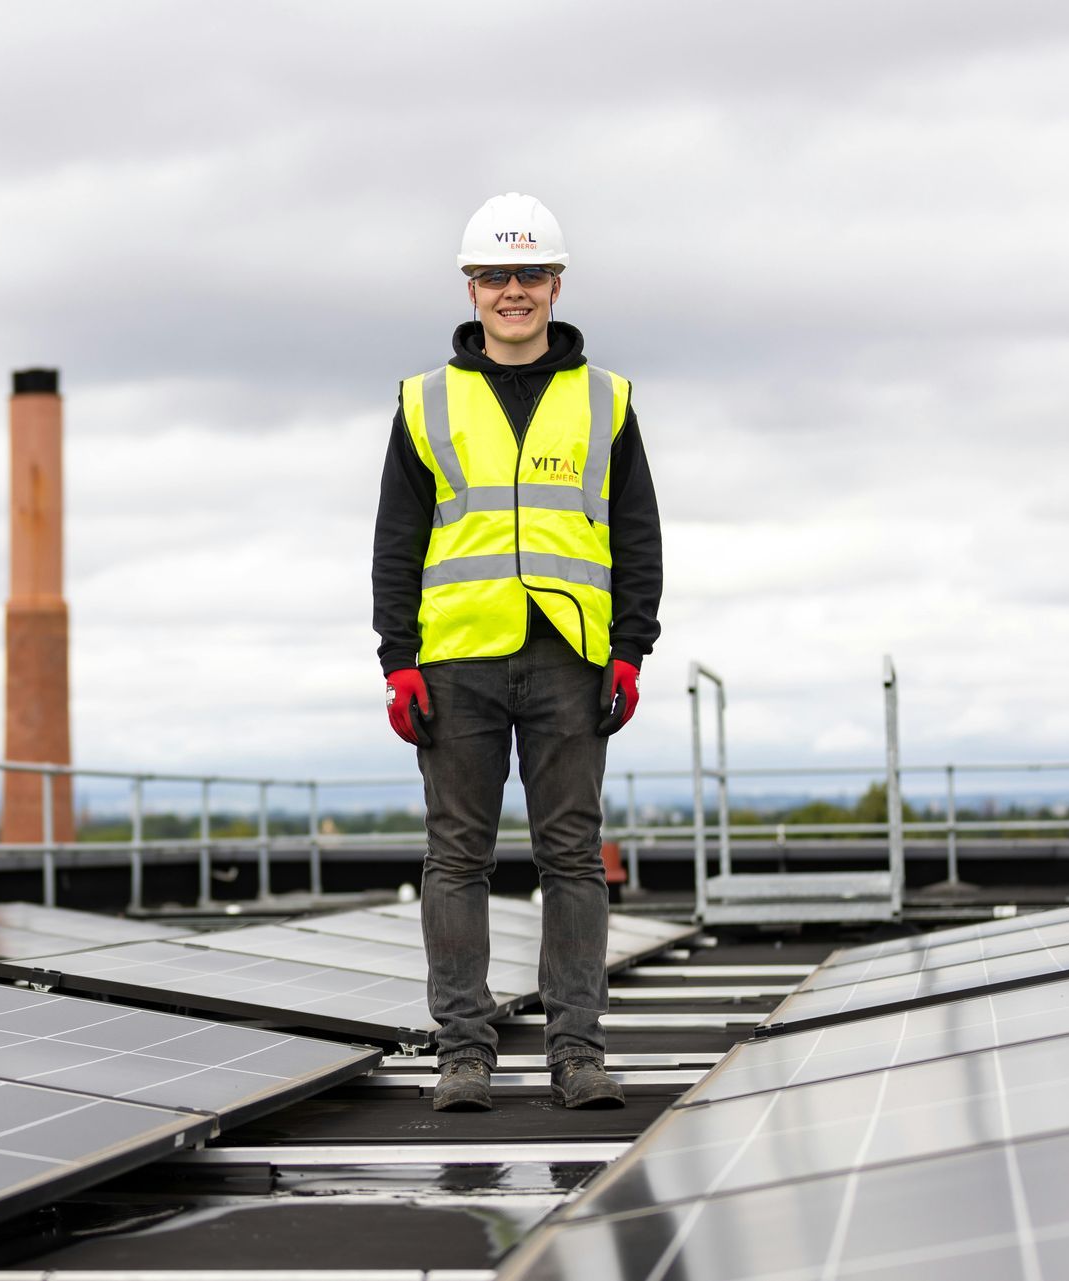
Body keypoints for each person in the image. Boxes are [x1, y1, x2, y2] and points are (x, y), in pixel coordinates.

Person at [370, 192, 663, 1111]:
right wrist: (399, 659)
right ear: (470, 287)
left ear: (556, 283)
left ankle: (578, 1053)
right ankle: (465, 1053)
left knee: (570, 855)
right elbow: (397, 539)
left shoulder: (606, 399)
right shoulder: (425, 401)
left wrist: (631, 648)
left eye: (529, 274)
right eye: (495, 275)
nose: (513, 292)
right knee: (457, 856)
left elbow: (636, 530)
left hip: (571, 659)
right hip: (456, 660)